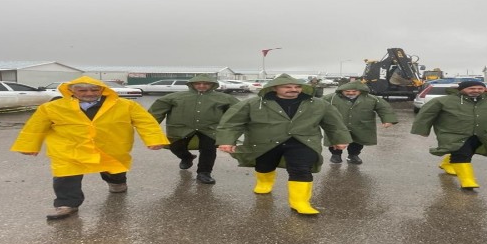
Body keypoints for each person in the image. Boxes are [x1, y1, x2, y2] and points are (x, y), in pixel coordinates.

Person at [10, 76, 169, 220]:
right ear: (72, 91)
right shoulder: (52, 107)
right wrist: (28, 145)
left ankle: (117, 182)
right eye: (82, 90)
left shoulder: (126, 105)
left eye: (94, 89)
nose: (89, 93)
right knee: (66, 175)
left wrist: (154, 140)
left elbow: (145, 122)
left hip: (110, 146)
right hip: (69, 149)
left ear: (102, 89)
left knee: (113, 168)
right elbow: (35, 127)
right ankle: (66, 204)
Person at [216, 73, 352, 215]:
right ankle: (264, 182)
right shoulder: (254, 103)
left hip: (303, 141)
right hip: (265, 142)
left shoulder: (319, 104)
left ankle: (300, 202)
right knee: (264, 165)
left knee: (301, 170)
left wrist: (339, 139)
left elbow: (334, 123)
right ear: (274, 88)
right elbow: (232, 122)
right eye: (287, 87)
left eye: (297, 86)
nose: (293, 89)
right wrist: (226, 140)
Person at [410, 80, 487, 189]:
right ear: (461, 89)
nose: (476, 91)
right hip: (453, 133)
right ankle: (468, 181)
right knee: (462, 154)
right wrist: (422, 130)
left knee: (469, 151)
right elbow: (426, 114)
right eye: (471, 88)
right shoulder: (443, 101)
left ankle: (447, 163)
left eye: (480, 88)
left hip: (482, 133)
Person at [148, 74, 239, 184]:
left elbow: (239, 113)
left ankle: (204, 173)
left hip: (210, 129)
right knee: (175, 147)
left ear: (213, 85)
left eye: (206, 83)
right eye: (198, 83)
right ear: (191, 84)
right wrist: (150, 131)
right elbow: (154, 115)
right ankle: (187, 157)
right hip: (181, 128)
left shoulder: (225, 98)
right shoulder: (174, 97)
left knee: (208, 150)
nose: (202, 86)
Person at [322, 80, 398, 164]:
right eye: (347, 91)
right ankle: (336, 155)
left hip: (360, 125)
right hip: (338, 125)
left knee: (358, 141)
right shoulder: (330, 98)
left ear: (360, 91)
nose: (350, 93)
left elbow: (384, 108)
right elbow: (317, 107)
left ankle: (353, 155)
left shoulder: (372, 99)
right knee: (335, 140)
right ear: (341, 91)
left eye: (354, 91)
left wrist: (388, 119)